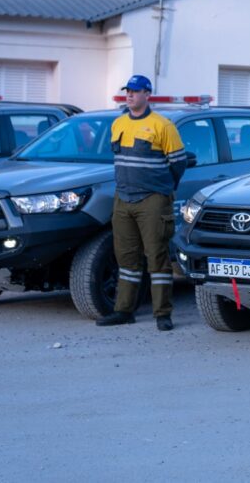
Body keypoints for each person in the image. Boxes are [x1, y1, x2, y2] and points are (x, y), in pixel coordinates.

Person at [96, 74, 187, 331]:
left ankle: (163, 314)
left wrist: (163, 189)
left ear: (148, 94)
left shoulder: (163, 126)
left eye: (136, 91)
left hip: (153, 200)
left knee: (156, 257)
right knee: (126, 258)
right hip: (123, 198)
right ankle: (124, 310)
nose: (130, 95)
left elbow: (179, 163)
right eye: (128, 91)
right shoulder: (119, 123)